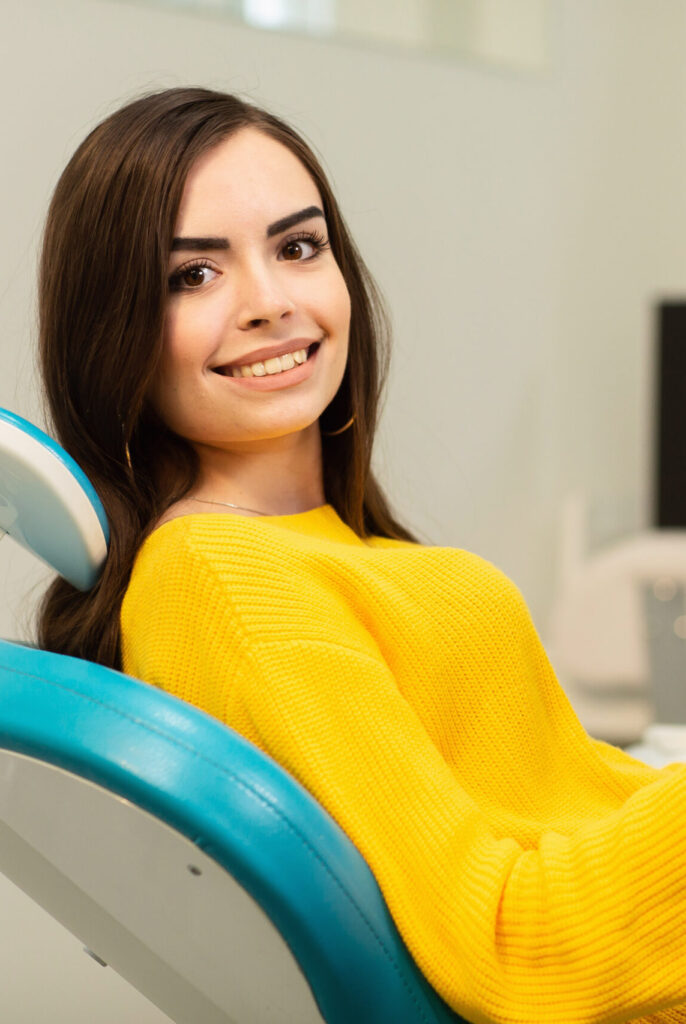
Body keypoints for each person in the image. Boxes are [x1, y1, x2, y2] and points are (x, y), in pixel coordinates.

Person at [37, 87, 686, 1024]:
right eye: (192, 275)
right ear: (111, 329)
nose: (270, 302)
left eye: (298, 247)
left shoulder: (329, 549)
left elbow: (547, 808)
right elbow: (510, 946)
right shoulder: (221, 573)